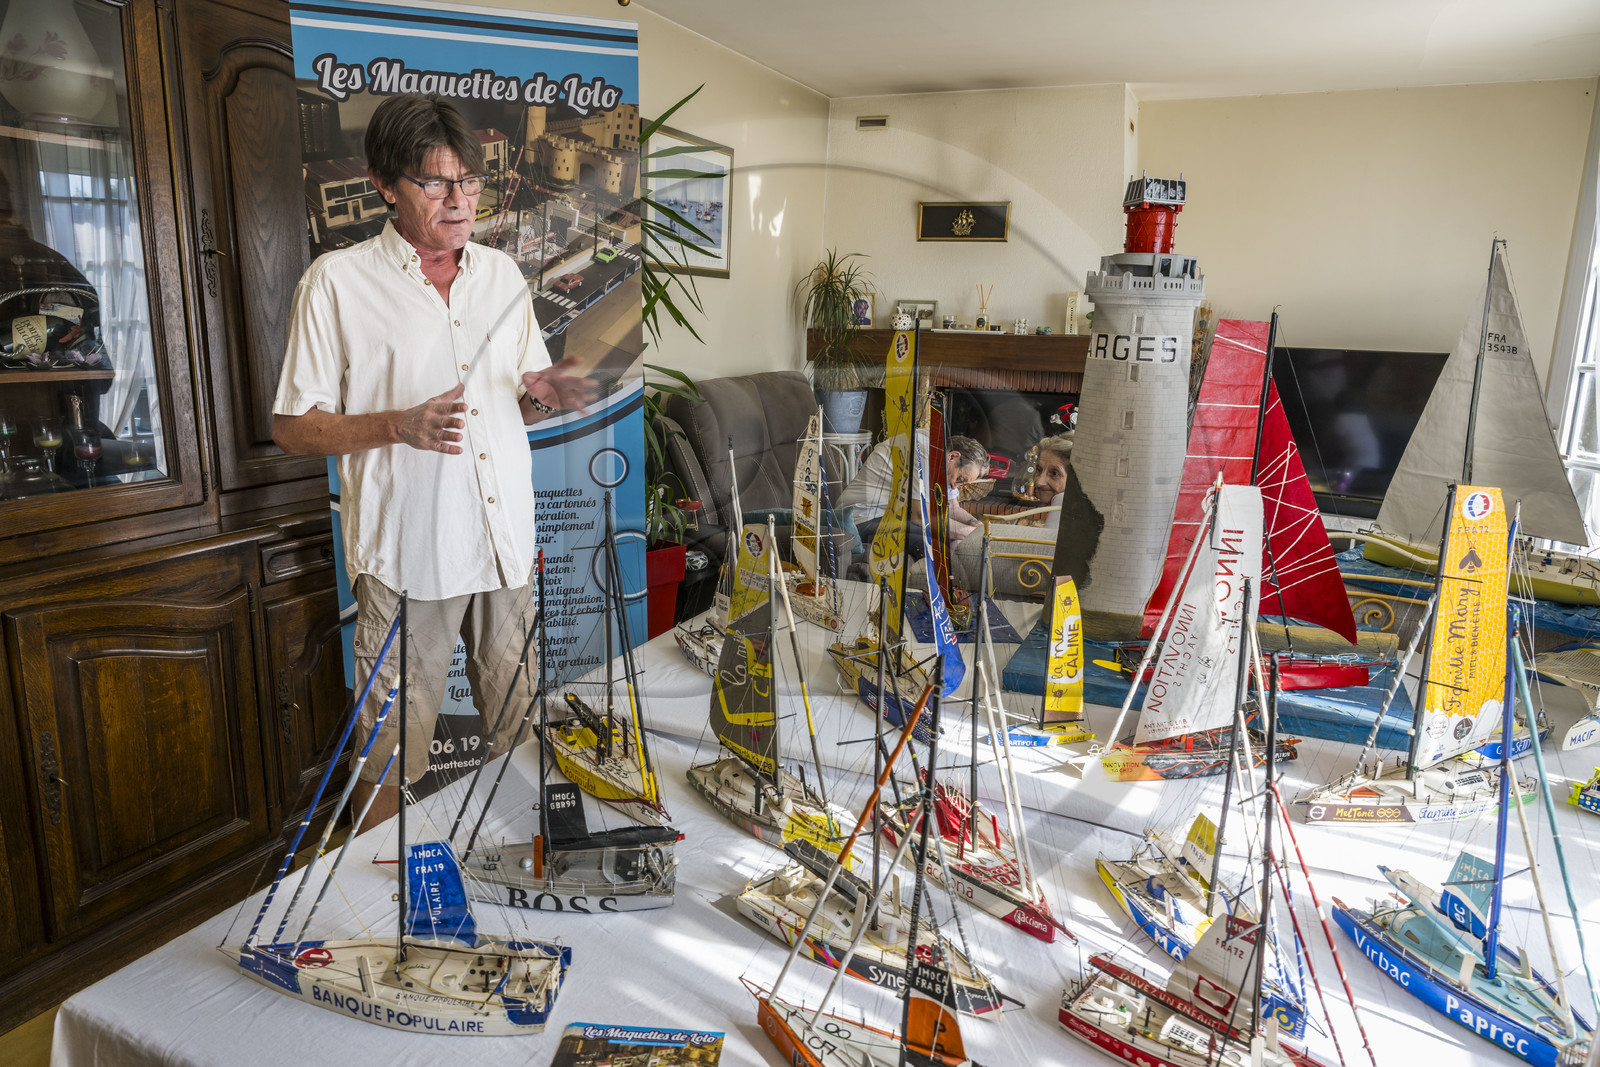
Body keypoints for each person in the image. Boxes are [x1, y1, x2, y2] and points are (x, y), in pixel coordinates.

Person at [272, 94, 593, 834]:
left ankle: (522, 863)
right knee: (388, 757)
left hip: (502, 548)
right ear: (386, 185)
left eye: (470, 182)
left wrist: (542, 395)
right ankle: (378, 889)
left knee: (520, 734)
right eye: (437, 183)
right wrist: (399, 424)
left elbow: (515, 403)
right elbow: (292, 428)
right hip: (409, 558)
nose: (460, 200)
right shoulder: (337, 283)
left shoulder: (502, 276)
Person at [840, 431, 987, 559]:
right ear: (953, 456)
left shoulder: (944, 463)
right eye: (960, 479)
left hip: (890, 516)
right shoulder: (922, 452)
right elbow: (919, 516)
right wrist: (965, 532)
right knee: (936, 547)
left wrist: (974, 523)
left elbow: (952, 507)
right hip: (861, 518)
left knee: (951, 538)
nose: (955, 486)